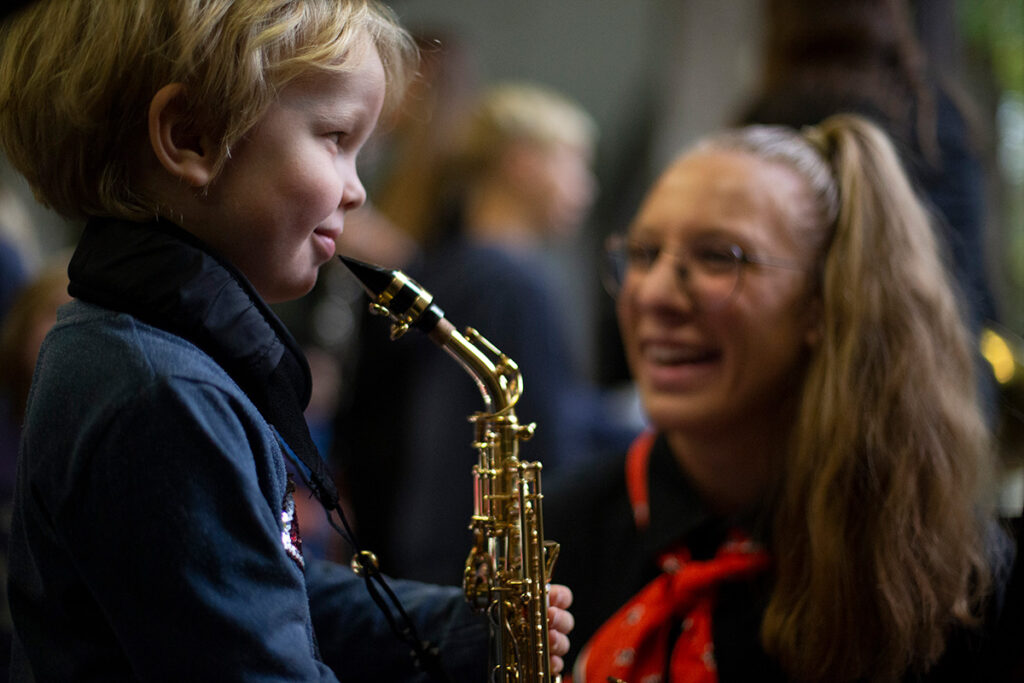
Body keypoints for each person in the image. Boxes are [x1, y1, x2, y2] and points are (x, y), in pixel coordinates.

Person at [0, 1, 573, 681]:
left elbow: (270, 586)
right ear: (190, 137)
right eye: (335, 137)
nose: (357, 193)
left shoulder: (155, 352)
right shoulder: (162, 391)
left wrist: (461, 630)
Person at [544, 114, 1021, 681]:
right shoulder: (559, 537)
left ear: (826, 300)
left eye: (719, 257)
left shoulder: (948, 574)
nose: (654, 295)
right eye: (644, 254)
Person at [334, 81, 628, 586]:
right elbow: (525, 439)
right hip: (467, 571)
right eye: (575, 163)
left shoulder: (449, 266)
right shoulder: (505, 282)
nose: (589, 187)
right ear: (523, 162)